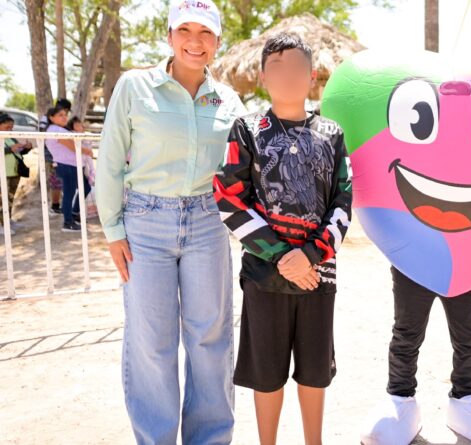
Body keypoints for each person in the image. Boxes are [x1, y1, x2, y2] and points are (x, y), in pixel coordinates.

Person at [95, 0, 245, 443]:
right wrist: (113, 231)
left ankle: (211, 437)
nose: (194, 42)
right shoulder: (134, 87)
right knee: (152, 343)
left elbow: (243, 170)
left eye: (206, 34)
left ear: (218, 42)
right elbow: (109, 161)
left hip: (207, 224)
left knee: (210, 340)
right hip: (145, 222)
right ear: (169, 36)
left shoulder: (230, 101)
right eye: (185, 31)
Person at [214, 33, 352, 445]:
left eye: (297, 68)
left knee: (314, 370)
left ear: (312, 76)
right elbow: (228, 199)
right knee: (266, 371)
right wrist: (281, 257)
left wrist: (310, 255)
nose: (288, 76)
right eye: (278, 67)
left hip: (317, 276)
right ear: (263, 76)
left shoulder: (331, 132)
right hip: (264, 275)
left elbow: (343, 200)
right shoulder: (247, 129)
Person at [44, 105, 93, 232]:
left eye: (65, 115)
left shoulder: (59, 129)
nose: (64, 117)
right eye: (60, 115)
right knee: (69, 194)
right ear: (51, 117)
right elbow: (72, 146)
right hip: (67, 165)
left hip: (74, 165)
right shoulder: (55, 130)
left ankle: (74, 213)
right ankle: (68, 222)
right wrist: (86, 151)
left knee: (85, 188)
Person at [0, 113, 33, 234]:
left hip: (14, 172)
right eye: (7, 126)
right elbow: (9, 150)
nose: (10, 128)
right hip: (3, 173)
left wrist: (26, 148)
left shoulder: (11, 137)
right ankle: (2, 225)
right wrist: (10, 149)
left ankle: (7, 220)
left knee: (9, 198)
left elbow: (17, 152)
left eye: (11, 126)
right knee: (1, 200)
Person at [39, 98, 71, 214]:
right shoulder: (48, 118)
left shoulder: (56, 118)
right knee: (56, 181)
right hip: (51, 155)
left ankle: (58, 204)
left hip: (57, 154)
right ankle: (55, 205)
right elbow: (43, 133)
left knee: (59, 181)